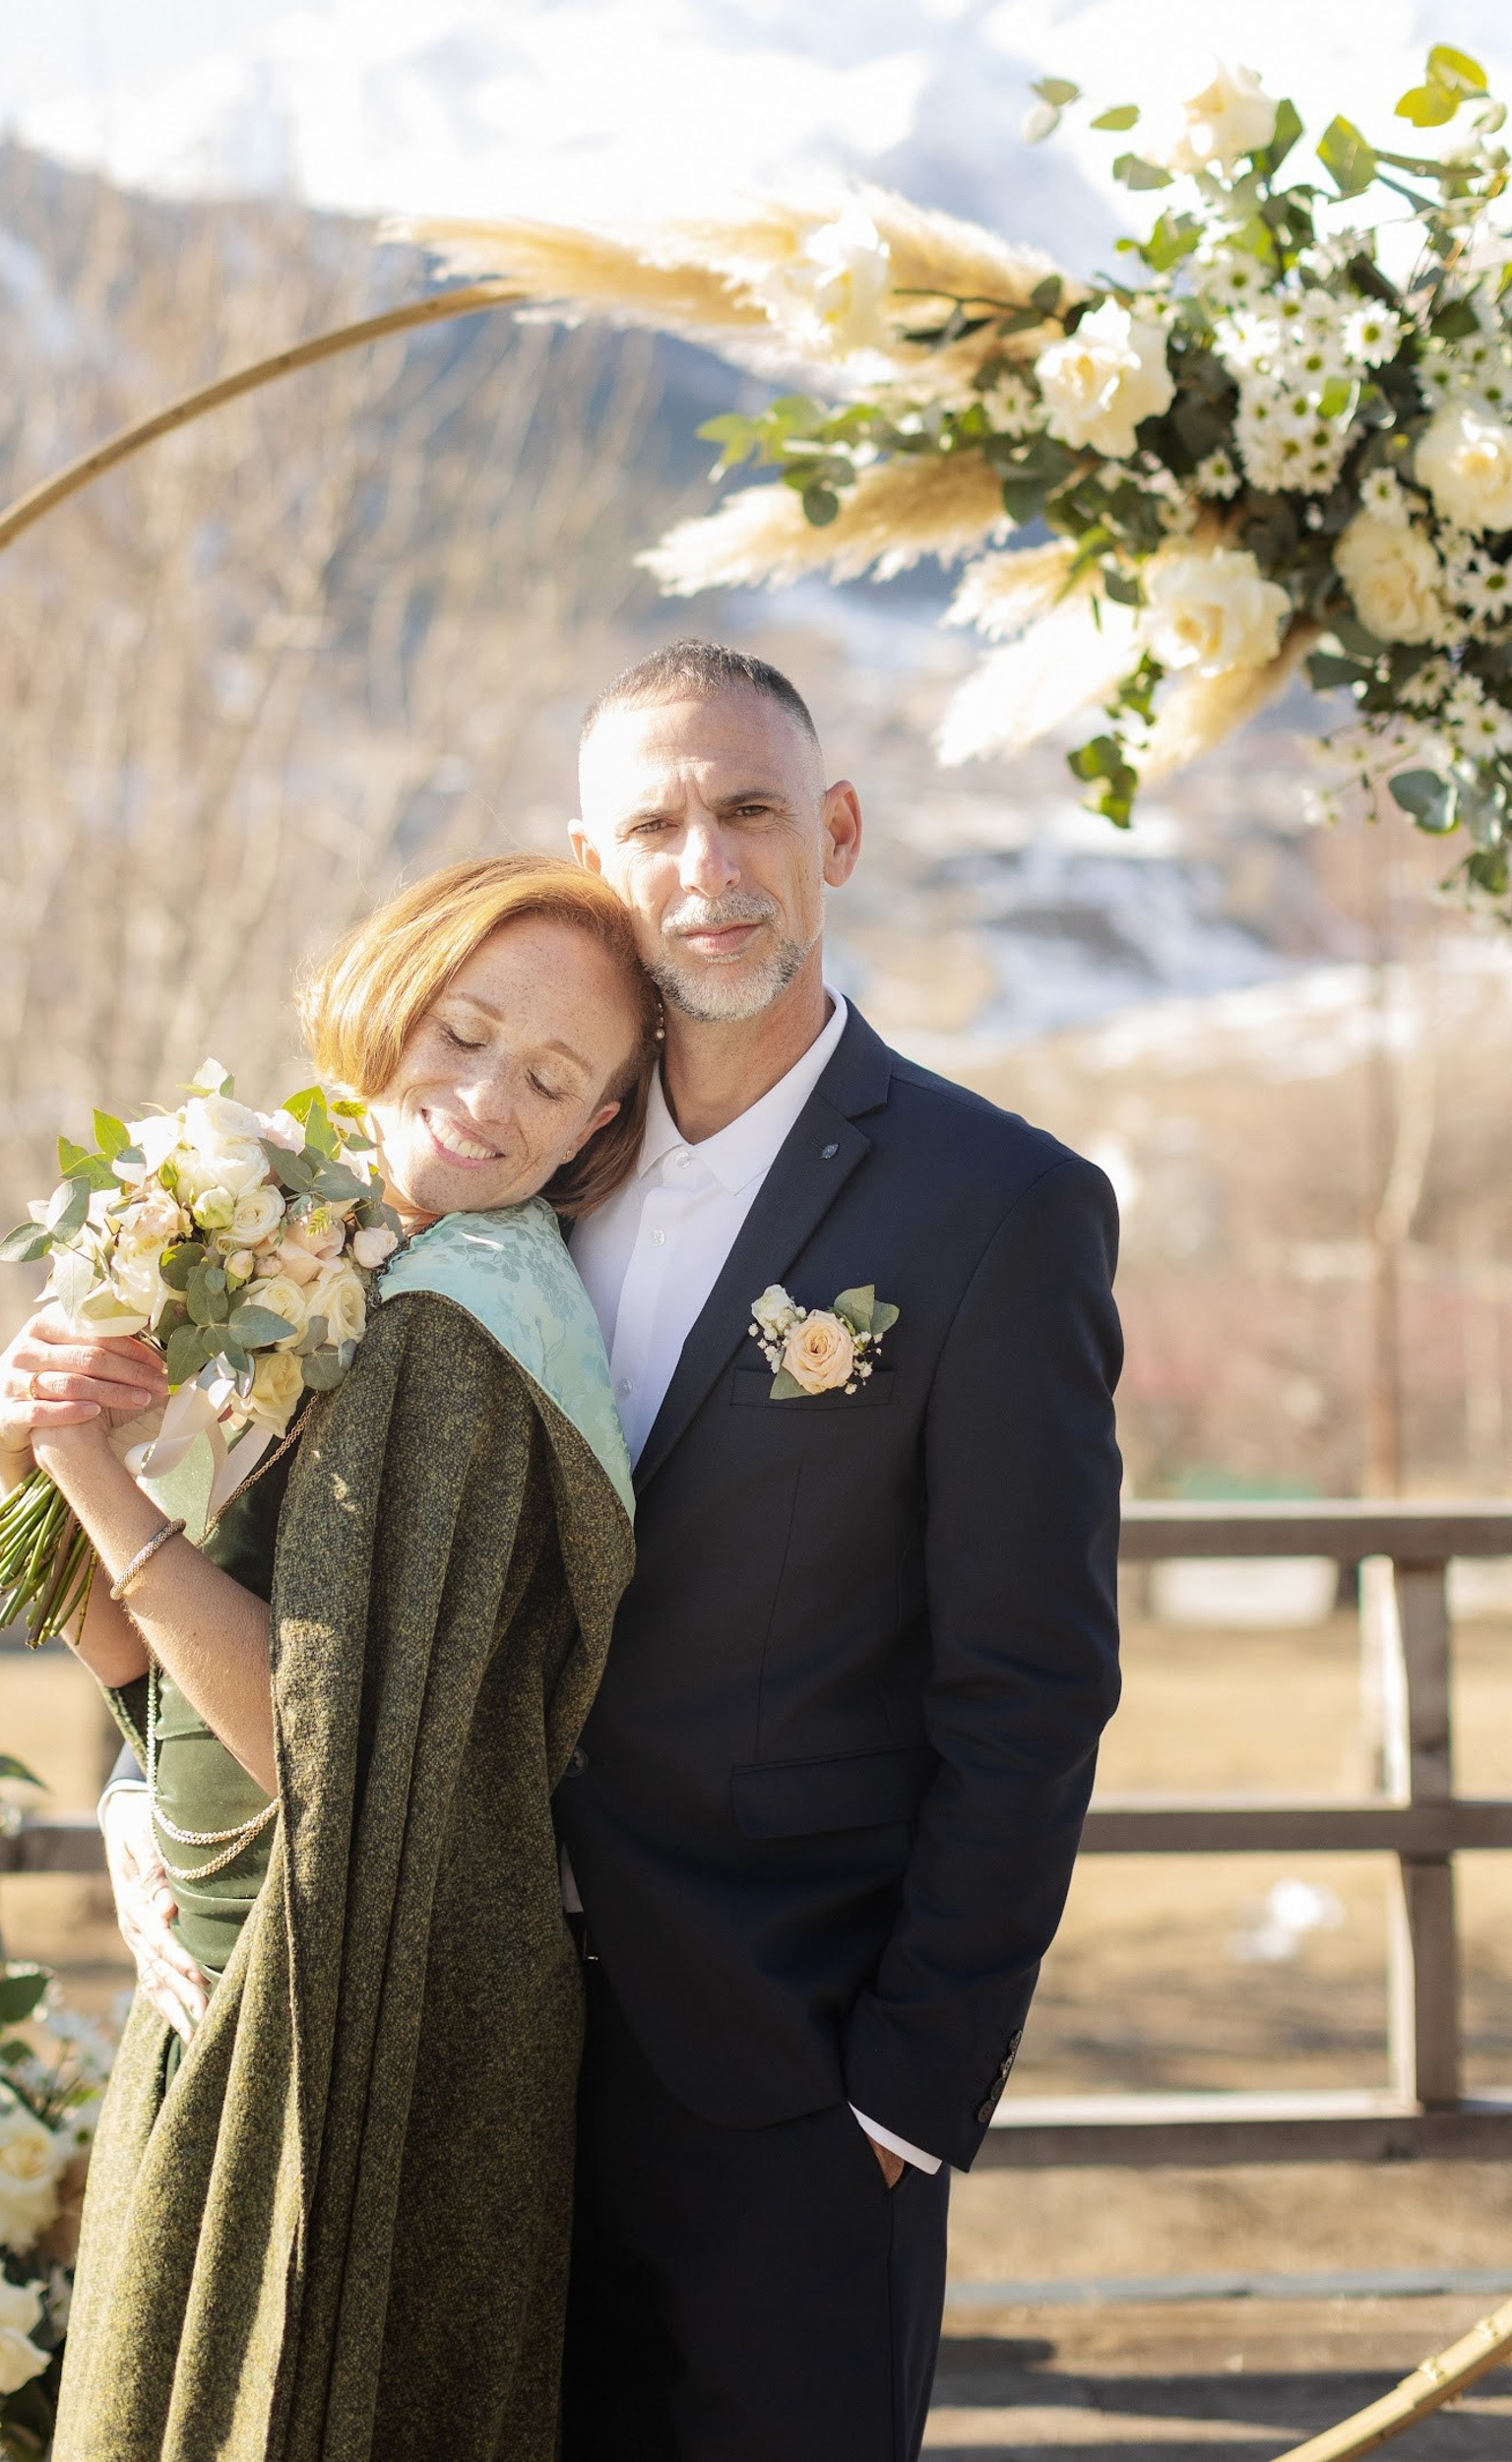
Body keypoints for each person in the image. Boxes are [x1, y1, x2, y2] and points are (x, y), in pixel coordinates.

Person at [101, 641, 1125, 2462]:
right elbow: (268, 1544)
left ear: (838, 832)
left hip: (777, 2085)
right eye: (656, 824)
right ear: (597, 860)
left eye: (749, 812)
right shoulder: (506, 1164)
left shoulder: (996, 1209)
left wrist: (911, 2094)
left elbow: (1028, 1686)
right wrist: (152, 1815)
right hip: (439, 2036)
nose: (708, 865)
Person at [0, 855, 657, 2462]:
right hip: (229, 1959)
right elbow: (163, 1685)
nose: (488, 1097)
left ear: (594, 1133)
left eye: (552, 1080)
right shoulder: (341, 1265)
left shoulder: (455, 1336)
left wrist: (89, 1474)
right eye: (464, 1031)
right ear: (392, 1000)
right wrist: (28, 1457)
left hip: (366, 2011)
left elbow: (316, 1749)